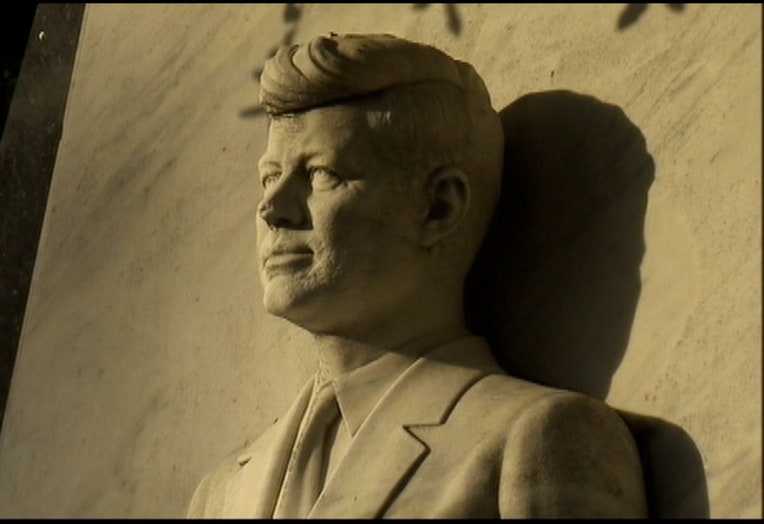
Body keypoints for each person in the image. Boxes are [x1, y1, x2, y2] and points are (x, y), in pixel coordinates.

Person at [186, 33, 648, 519]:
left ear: (439, 207)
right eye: (268, 177)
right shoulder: (219, 496)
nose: (272, 209)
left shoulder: (535, 439)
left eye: (322, 174)